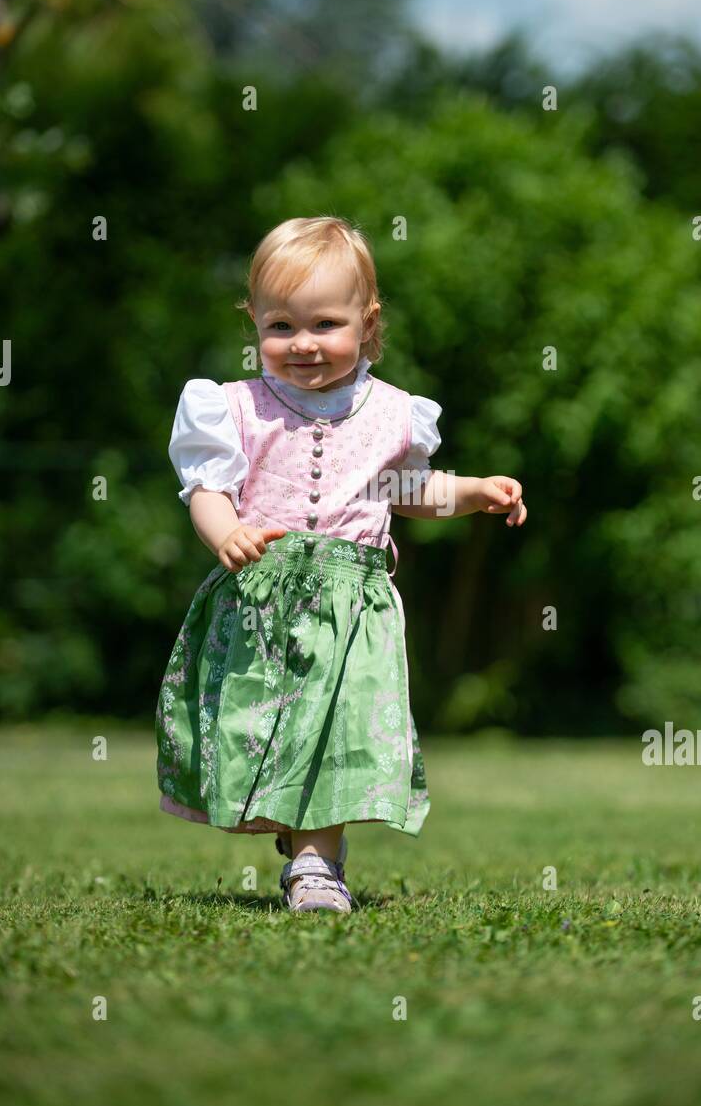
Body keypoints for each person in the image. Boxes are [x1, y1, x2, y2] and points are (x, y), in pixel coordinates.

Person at [155, 215, 526, 914]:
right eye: (279, 326)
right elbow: (206, 487)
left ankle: (316, 866)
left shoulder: (394, 414)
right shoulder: (230, 407)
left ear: (368, 322)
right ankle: (293, 832)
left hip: (353, 606)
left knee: (339, 733)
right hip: (261, 598)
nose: (302, 344)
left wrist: (471, 492)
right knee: (257, 730)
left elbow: (405, 492)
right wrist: (224, 532)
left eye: (324, 324)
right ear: (254, 323)